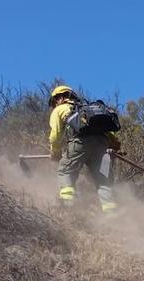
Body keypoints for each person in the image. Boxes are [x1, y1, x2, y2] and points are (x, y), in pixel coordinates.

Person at [47, 84, 118, 214]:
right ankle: (111, 214)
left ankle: (67, 207)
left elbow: (55, 135)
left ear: (60, 98)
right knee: (102, 180)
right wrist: (114, 147)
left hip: (80, 142)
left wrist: (55, 153)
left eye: (55, 101)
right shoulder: (87, 110)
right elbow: (110, 136)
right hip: (101, 145)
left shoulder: (61, 109)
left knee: (65, 171)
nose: (55, 104)